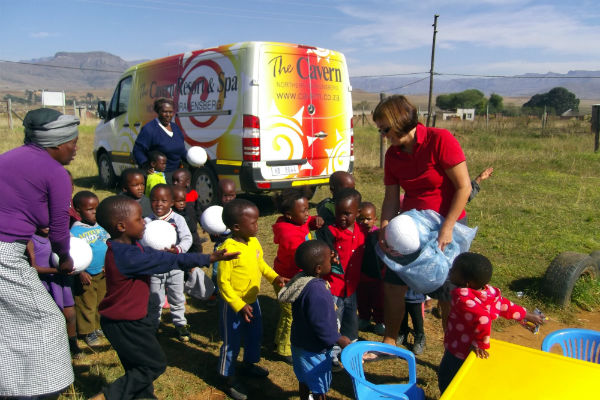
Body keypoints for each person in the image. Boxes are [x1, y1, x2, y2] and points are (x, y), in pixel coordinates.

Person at [90, 196, 238, 400]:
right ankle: (109, 396)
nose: (144, 222)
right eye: (139, 219)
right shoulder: (127, 256)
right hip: (125, 324)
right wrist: (208, 258)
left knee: (139, 370)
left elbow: (159, 257)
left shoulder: (130, 246)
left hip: (128, 320)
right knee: (153, 365)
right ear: (122, 226)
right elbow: (167, 261)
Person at [373, 95, 472, 346]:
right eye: (381, 131)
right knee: (393, 281)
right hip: (411, 228)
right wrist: (385, 228)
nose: (384, 136)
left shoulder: (440, 140)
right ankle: (390, 342)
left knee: (449, 291)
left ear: (400, 121)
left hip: (448, 225)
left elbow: (464, 187)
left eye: (386, 129)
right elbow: (391, 198)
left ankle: (453, 346)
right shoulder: (393, 157)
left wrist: (447, 229)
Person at [0, 108, 78, 397]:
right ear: (55, 144)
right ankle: (42, 389)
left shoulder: (6, 158)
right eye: (72, 142)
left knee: (6, 321)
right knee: (48, 319)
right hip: (4, 253)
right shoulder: (55, 172)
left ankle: (9, 386)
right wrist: (65, 257)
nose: (75, 148)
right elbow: (59, 230)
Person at [437, 252, 545, 394]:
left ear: (467, 283)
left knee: (447, 377)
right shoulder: (488, 292)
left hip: (459, 347)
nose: (450, 270)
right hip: (466, 348)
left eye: (454, 270)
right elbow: (503, 305)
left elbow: (484, 319)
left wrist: (480, 344)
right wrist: (526, 315)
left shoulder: (463, 300)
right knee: (465, 378)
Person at [216, 198, 288, 400]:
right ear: (237, 227)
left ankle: (249, 364)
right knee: (231, 341)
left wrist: (275, 277)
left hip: (252, 301)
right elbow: (223, 283)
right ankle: (227, 378)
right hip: (233, 305)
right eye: (254, 222)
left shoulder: (254, 242)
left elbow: (261, 265)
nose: (258, 225)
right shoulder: (228, 250)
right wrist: (238, 305)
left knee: (254, 334)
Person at [278, 240, 351, 400]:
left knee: (304, 377)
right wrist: (338, 339)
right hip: (314, 349)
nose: (331, 261)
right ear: (318, 268)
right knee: (319, 385)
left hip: (299, 343)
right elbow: (321, 324)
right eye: (328, 259)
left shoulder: (301, 280)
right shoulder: (317, 291)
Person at [316, 188, 366, 370]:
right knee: (334, 320)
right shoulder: (332, 231)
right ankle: (333, 354)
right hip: (335, 287)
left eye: (347, 214)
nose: (342, 217)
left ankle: (350, 350)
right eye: (339, 214)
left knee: (351, 319)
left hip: (351, 288)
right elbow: (320, 236)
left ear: (358, 212)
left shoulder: (361, 231)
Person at [272, 188, 324, 363]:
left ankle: (279, 339)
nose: (307, 214)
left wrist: (313, 220)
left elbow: (306, 221)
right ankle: (285, 350)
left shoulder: (296, 221)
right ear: (289, 215)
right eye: (304, 211)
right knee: (290, 315)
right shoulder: (289, 235)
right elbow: (303, 256)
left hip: (293, 276)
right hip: (287, 279)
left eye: (308, 209)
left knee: (288, 313)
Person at [145, 184, 194, 341]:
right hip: (154, 268)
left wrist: (179, 249)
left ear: (172, 202)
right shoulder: (147, 221)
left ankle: (180, 324)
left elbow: (187, 238)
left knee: (177, 297)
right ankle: (153, 325)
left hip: (175, 267)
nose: (159, 204)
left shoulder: (177, 219)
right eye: (154, 200)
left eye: (164, 200)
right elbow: (140, 240)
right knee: (154, 299)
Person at [27, 227, 83, 359]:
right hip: (46, 282)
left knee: (70, 314)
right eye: (43, 223)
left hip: (61, 281)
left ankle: (72, 343)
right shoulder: (31, 240)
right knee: (52, 317)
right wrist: (57, 270)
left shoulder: (59, 237)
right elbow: (33, 267)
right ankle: (55, 348)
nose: (46, 226)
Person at [70, 190, 109, 348]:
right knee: (86, 302)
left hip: (103, 271)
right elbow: (73, 255)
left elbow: (108, 243)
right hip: (86, 274)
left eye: (96, 208)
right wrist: (81, 272)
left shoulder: (101, 225)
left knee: (102, 299)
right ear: (78, 210)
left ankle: (98, 326)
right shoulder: (75, 232)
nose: (95, 212)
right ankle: (87, 331)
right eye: (89, 209)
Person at [133, 97, 186, 184]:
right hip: (158, 177)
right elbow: (138, 150)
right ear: (158, 112)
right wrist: (145, 165)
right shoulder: (149, 129)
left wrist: (193, 160)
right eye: (165, 112)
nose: (168, 115)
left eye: (170, 112)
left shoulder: (176, 128)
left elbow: (182, 150)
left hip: (176, 175)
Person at [356, 202, 385, 335]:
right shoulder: (357, 233)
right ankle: (364, 318)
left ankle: (380, 321)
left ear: (375, 219)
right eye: (361, 219)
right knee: (362, 299)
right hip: (361, 274)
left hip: (377, 275)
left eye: (368, 218)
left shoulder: (379, 235)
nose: (365, 222)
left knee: (378, 300)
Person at [172, 185, 204, 253]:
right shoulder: (172, 215)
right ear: (172, 202)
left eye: (183, 201)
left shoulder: (189, 210)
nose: (182, 203)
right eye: (178, 201)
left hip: (193, 237)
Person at [398, 288, 426, 355]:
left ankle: (419, 338)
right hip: (401, 292)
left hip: (415, 294)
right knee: (402, 315)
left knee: (416, 317)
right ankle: (403, 333)